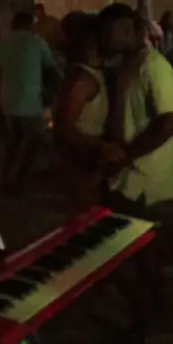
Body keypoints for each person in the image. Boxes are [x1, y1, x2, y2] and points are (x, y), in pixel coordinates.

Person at [98, 3, 173, 334]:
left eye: (109, 32)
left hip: (144, 176)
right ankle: (160, 312)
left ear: (128, 30)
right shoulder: (128, 64)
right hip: (129, 175)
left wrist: (127, 154)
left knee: (128, 250)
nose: (105, 39)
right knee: (140, 250)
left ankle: (149, 318)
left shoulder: (153, 66)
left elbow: (171, 120)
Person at [0, 11, 61, 195]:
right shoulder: (38, 43)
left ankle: (6, 179)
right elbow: (52, 71)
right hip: (31, 103)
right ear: (30, 25)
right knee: (32, 144)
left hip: (7, 102)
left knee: (11, 144)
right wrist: (51, 93)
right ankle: (19, 181)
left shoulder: (3, 44)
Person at [54, 14, 113, 211]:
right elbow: (65, 128)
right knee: (86, 216)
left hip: (89, 158)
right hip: (81, 160)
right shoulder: (81, 79)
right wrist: (101, 146)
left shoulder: (94, 73)